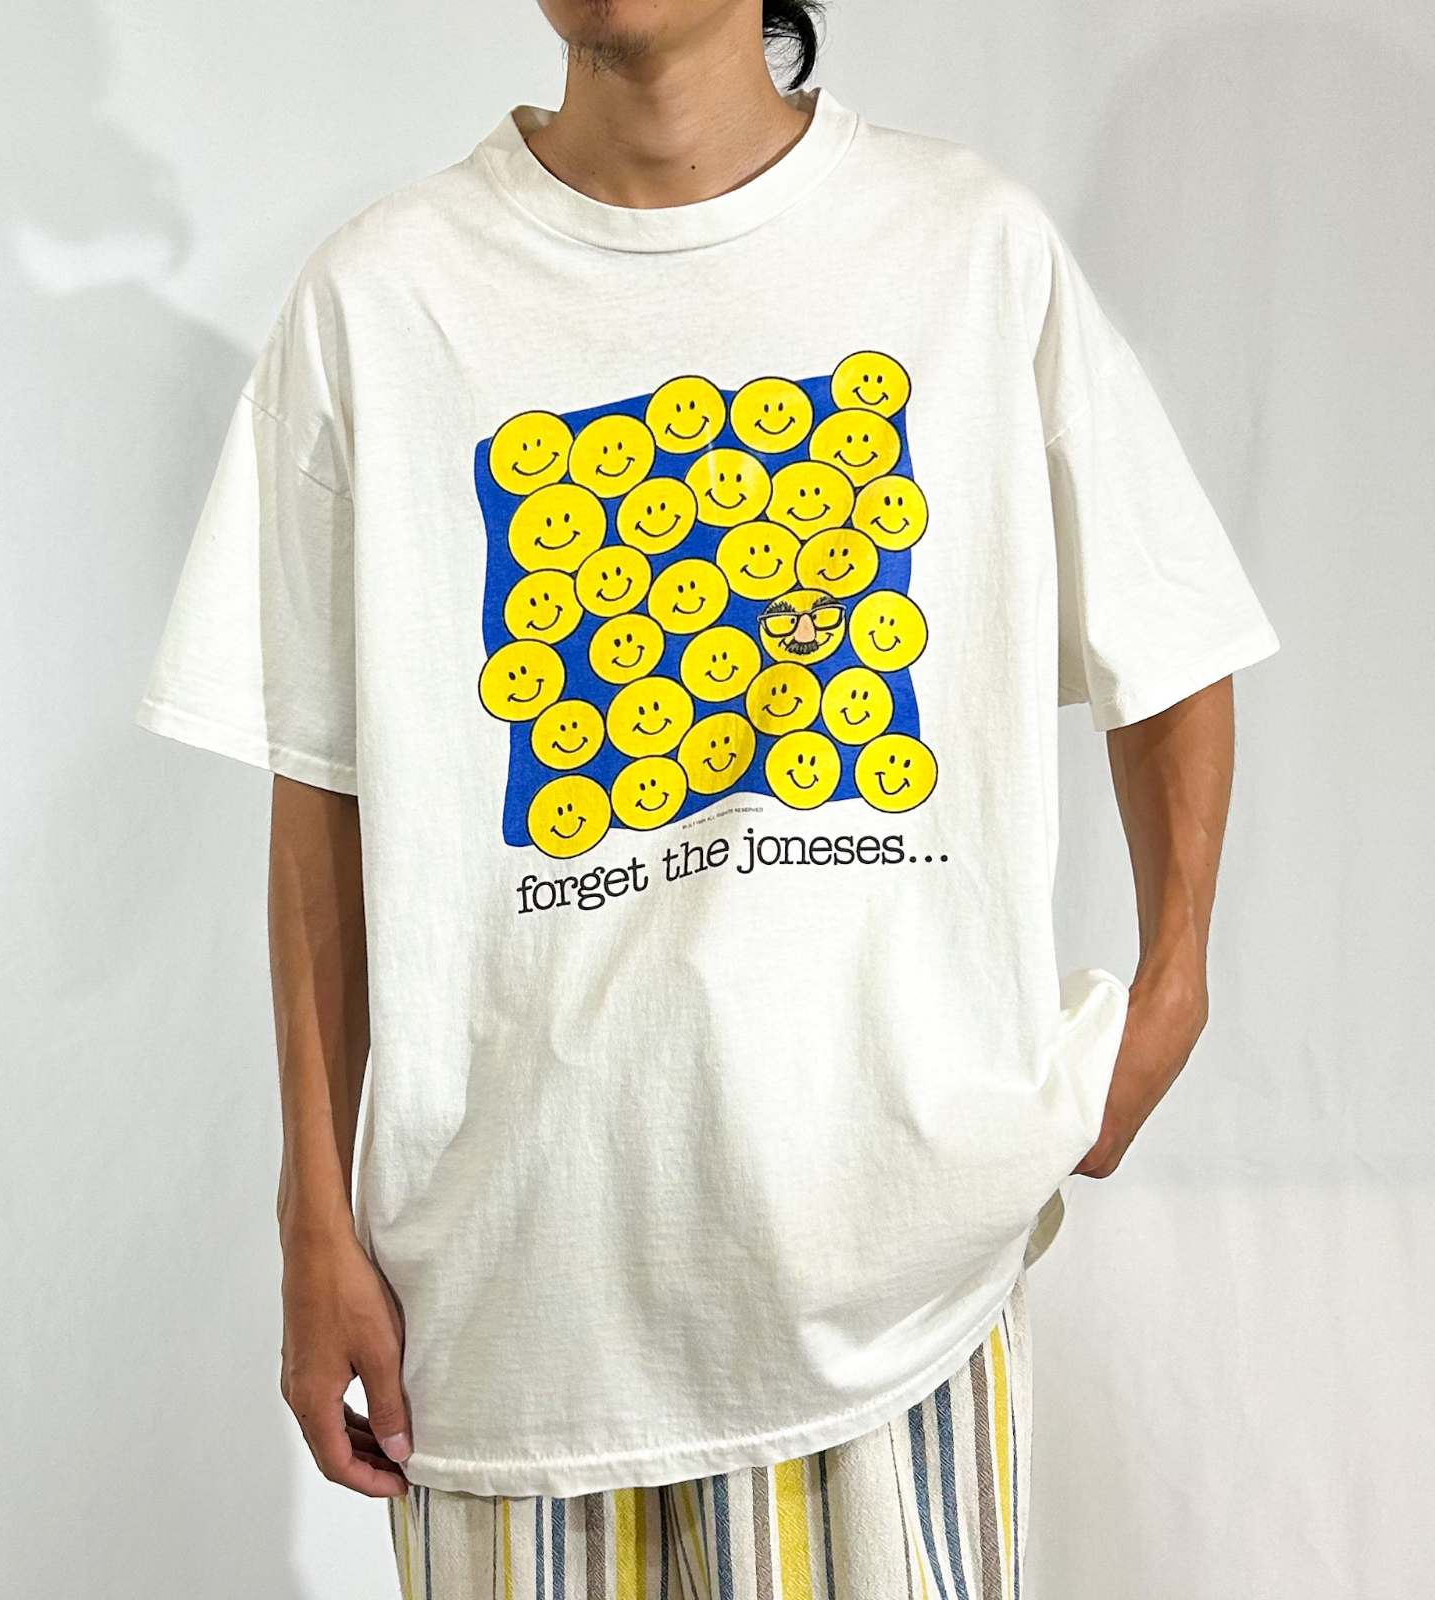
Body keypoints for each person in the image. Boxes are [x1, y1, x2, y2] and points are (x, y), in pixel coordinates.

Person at [137, 1, 1278, 1593]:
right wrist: (309, 1216)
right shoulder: (380, 300)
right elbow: (323, 793)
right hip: (510, 1322)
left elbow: (1171, 633)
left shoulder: (966, 249)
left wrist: (1173, 989)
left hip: (886, 1298)